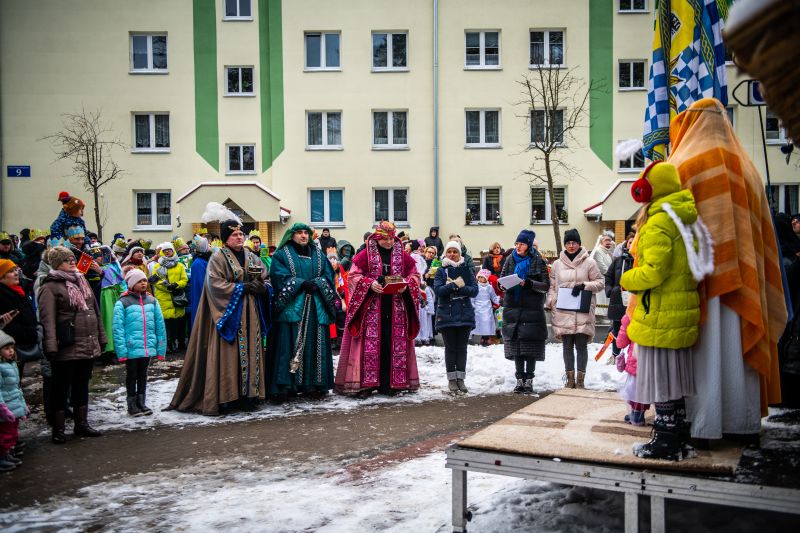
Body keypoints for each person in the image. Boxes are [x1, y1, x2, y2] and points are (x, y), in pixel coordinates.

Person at [668, 98, 788, 439]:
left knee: (704, 353)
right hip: (745, 282)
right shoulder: (748, 169)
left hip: (698, 282)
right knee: (737, 349)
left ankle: (702, 423)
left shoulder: (684, 164)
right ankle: (742, 421)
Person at [621, 161, 704, 460]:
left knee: (660, 380)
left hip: (659, 313)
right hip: (679, 310)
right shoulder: (685, 219)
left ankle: (666, 440)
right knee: (673, 379)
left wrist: (627, 278)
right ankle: (678, 436)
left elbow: (654, 271)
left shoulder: (658, 223)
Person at [169, 216, 270, 415]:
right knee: (229, 355)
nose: (239, 237)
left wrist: (262, 287)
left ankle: (249, 395)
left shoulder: (252, 256)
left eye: (241, 234)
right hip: (229, 314)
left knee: (252, 350)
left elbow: (266, 278)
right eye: (234, 235)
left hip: (251, 314)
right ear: (225, 239)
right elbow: (214, 285)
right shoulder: (218, 258)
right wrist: (241, 288)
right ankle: (228, 397)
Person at [335, 221, 421, 396]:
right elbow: (353, 276)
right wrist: (369, 284)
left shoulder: (403, 255)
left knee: (391, 344)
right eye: (384, 239)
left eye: (391, 239)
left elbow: (415, 275)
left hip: (396, 308)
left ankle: (390, 384)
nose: (388, 242)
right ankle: (366, 385)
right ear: (376, 237)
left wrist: (406, 284)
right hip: (371, 309)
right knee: (370, 346)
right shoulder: (364, 255)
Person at [38, 246, 106, 444]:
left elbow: (95, 311)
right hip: (66, 344)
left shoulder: (82, 280)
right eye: (66, 260)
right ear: (56, 263)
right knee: (60, 387)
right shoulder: (50, 286)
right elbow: (47, 319)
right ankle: (58, 429)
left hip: (87, 341)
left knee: (81, 384)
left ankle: (81, 424)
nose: (71, 262)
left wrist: (101, 337)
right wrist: (51, 345)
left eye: (71, 259)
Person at [269, 223, 337, 399]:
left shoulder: (319, 255)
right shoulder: (281, 255)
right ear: (291, 235)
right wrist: (301, 283)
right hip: (293, 307)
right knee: (289, 344)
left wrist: (318, 284)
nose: (303, 236)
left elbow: (329, 275)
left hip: (315, 306)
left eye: (306, 232)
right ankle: (287, 387)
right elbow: (278, 276)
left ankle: (313, 385)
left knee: (316, 344)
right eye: (299, 232)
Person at [546, 228, 604, 389]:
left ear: (579, 244)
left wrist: (585, 285)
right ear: (565, 245)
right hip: (563, 309)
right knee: (567, 346)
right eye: (568, 243)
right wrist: (551, 301)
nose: (571, 246)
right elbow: (552, 286)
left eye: (574, 242)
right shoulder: (557, 264)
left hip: (582, 309)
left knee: (581, 345)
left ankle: (580, 380)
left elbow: (600, 283)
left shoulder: (590, 263)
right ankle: (570, 378)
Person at [500, 230, 550, 394]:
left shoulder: (538, 259)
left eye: (521, 244)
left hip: (532, 309)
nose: (518, 246)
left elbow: (545, 285)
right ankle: (519, 379)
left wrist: (528, 283)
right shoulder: (510, 259)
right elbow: (502, 278)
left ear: (528, 245)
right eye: (517, 243)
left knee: (530, 347)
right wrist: (502, 285)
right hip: (513, 308)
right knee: (517, 348)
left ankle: (529, 380)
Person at [113, 269, 167, 417]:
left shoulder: (152, 301)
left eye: (144, 280)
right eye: (139, 281)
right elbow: (118, 328)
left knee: (143, 374)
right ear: (131, 284)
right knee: (132, 375)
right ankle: (131, 404)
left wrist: (160, 348)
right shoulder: (123, 302)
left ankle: (141, 402)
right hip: (131, 347)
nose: (143, 283)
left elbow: (160, 326)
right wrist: (122, 351)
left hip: (147, 346)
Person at [435, 241, 479, 393]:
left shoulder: (467, 269)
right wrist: (453, 285)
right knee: (450, 348)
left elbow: (474, 290)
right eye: (450, 251)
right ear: (445, 254)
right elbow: (438, 290)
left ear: (460, 254)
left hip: (464, 314)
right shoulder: (441, 271)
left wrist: (461, 286)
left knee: (462, 348)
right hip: (447, 315)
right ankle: (451, 379)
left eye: (455, 251)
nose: (452, 254)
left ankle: (461, 378)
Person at [0, 260, 39, 372]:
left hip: (21, 343)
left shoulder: (18, 291)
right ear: (1, 277)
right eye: (10, 271)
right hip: (9, 346)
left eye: (15, 270)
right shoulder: (2, 294)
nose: (16, 273)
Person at [149, 242, 188, 354]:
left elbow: (184, 280)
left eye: (169, 250)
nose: (167, 252)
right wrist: (168, 288)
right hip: (163, 297)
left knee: (177, 323)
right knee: (165, 324)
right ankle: (167, 344)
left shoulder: (179, 265)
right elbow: (155, 282)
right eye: (165, 250)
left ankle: (177, 342)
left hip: (177, 297)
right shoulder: (157, 266)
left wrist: (176, 285)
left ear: (173, 251)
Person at [0, 331, 28, 471]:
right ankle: (2, 457)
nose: (11, 351)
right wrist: (2, 408)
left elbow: (17, 388)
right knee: (4, 434)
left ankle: (7, 454)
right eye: (6, 348)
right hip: (5, 408)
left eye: (12, 348)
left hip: (14, 406)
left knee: (12, 433)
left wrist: (23, 406)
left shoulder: (11, 364)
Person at [615, 314, 649, 426]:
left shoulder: (632, 314)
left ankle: (636, 415)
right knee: (651, 389)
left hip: (636, 360)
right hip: (654, 359)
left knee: (634, 390)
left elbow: (621, 342)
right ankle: (662, 416)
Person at [605, 234, 635, 358]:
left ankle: (633, 358)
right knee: (617, 329)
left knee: (635, 330)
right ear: (626, 244)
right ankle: (615, 355)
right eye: (630, 242)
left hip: (635, 301)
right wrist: (610, 291)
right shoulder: (618, 261)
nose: (632, 244)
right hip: (618, 300)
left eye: (635, 242)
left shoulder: (641, 261)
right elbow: (608, 276)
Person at [188, 235, 211, 330]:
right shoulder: (199, 263)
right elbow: (202, 284)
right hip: (201, 297)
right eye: (208, 245)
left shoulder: (202, 260)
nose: (210, 246)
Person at [471, 269, 499, 346]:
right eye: (479, 277)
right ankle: (479, 337)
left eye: (482, 277)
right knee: (478, 322)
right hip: (478, 307)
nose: (480, 279)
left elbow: (493, 297)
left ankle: (486, 337)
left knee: (487, 322)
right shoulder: (476, 287)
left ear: (486, 278)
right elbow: (473, 297)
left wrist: (498, 301)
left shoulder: (489, 287)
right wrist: (472, 305)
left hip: (487, 307)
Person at [416, 282, 435, 346]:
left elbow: (429, 299)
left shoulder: (426, 288)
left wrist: (429, 309)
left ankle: (425, 337)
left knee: (424, 323)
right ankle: (417, 338)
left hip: (424, 308)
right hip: (416, 307)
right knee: (417, 322)